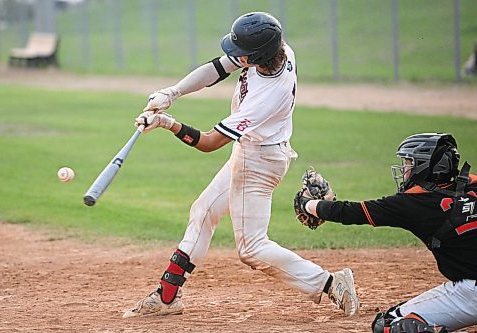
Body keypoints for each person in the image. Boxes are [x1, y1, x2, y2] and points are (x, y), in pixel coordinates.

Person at [122, 12, 359, 318]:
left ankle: (331, 283)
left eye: (241, 52)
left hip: (259, 162)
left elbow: (209, 142)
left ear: (257, 56)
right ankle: (166, 298)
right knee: (203, 211)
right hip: (253, 151)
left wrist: (167, 123)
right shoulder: (279, 50)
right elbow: (219, 67)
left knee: (252, 249)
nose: (235, 56)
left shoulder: (266, 96)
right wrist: (172, 92)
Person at [295, 133, 477, 333]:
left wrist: (307, 204)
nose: (405, 169)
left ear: (425, 167)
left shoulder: (413, 204)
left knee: (389, 324)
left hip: (470, 295)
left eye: (409, 163)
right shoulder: (473, 184)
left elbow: (351, 212)